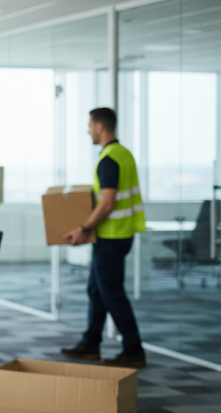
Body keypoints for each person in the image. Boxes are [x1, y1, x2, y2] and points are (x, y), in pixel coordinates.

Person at [61, 107, 147, 367]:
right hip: (120, 234)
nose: (87, 130)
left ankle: (134, 349)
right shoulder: (124, 154)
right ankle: (90, 343)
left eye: (89, 125)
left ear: (100, 127)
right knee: (97, 289)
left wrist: (83, 228)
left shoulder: (109, 159)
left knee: (111, 293)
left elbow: (107, 203)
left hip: (111, 236)